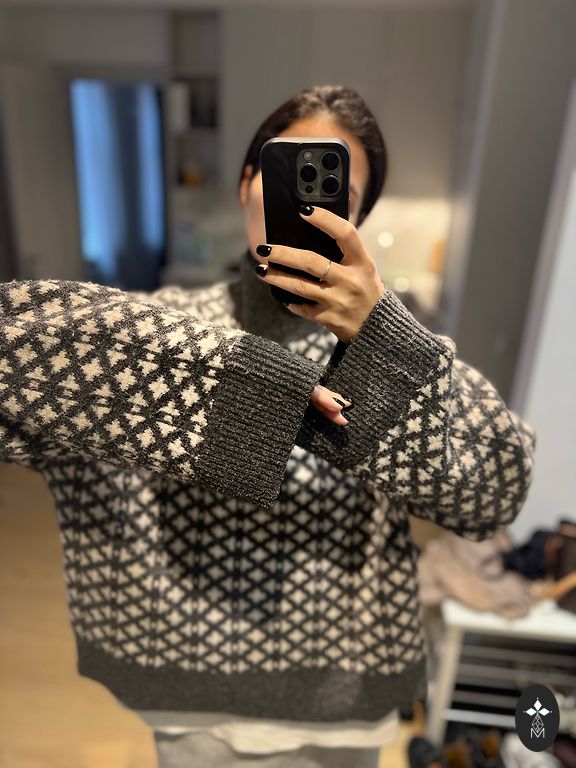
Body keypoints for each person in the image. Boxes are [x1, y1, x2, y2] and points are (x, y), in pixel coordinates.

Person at [0, 85, 536, 768]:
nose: (306, 205)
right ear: (246, 185)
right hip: (194, 703)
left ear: (356, 219)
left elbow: (498, 490)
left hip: (345, 707)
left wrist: (384, 343)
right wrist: (241, 386)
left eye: (336, 193)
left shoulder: (399, 347)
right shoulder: (167, 327)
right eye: (284, 175)